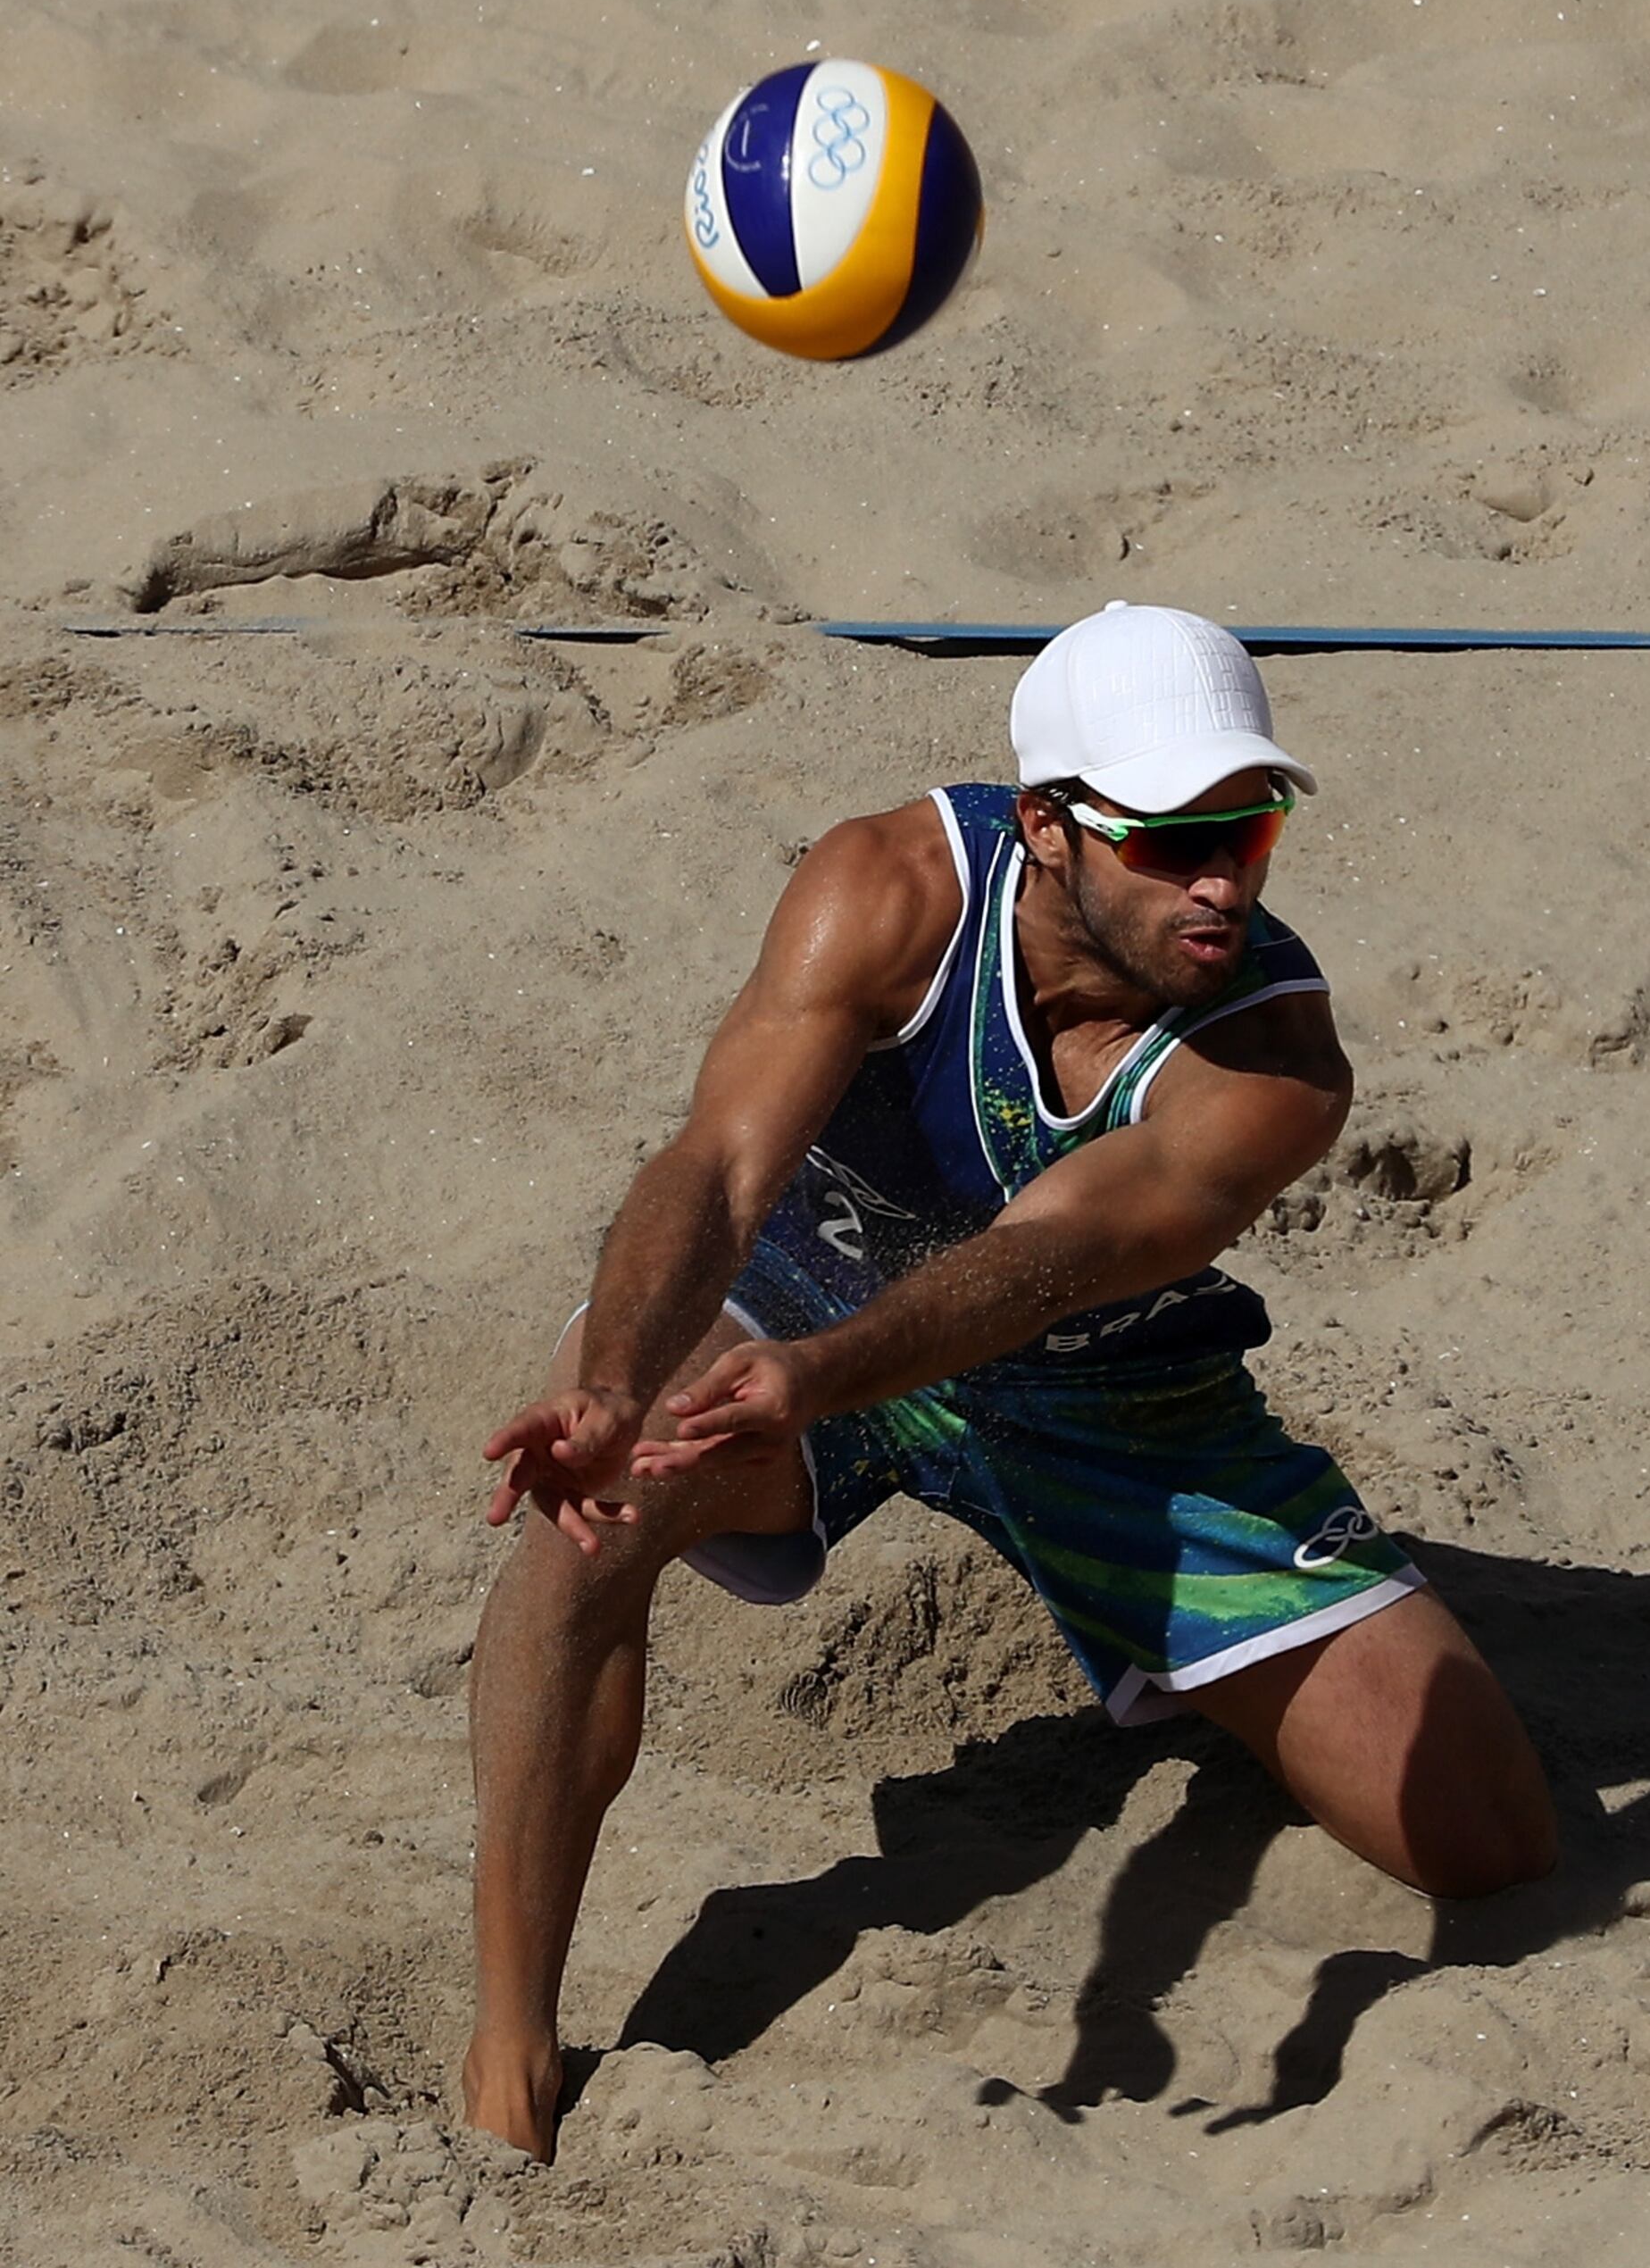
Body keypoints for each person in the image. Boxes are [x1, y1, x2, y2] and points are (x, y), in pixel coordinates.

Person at [460, 602, 1556, 2161]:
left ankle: (1182, 1658)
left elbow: (1045, 1261)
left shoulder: (1276, 1060)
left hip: (1096, 1392)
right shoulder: (889, 887)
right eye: (1175, 840)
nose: (1223, 879)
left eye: (1251, 828)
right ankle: (510, 2038)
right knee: (590, 1502)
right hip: (802, 1296)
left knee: (1485, 1835)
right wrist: (624, 1382)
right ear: (1048, 826)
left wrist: (820, 1378)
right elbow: (716, 1166)